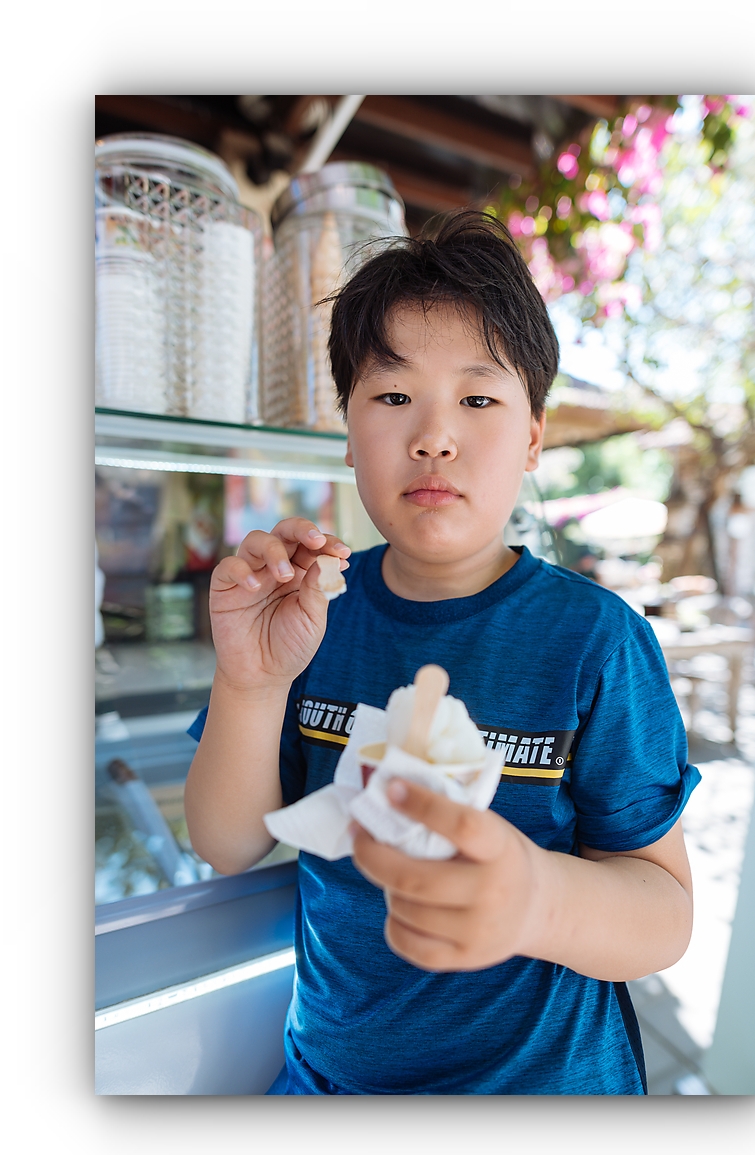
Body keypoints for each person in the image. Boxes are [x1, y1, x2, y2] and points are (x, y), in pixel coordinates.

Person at [184, 211, 699, 1095]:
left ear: (532, 437)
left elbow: (664, 914)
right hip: (332, 1083)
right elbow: (225, 843)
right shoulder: (311, 609)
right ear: (348, 434)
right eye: (392, 397)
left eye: (477, 399)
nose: (433, 436)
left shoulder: (596, 640)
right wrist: (251, 680)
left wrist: (535, 899)